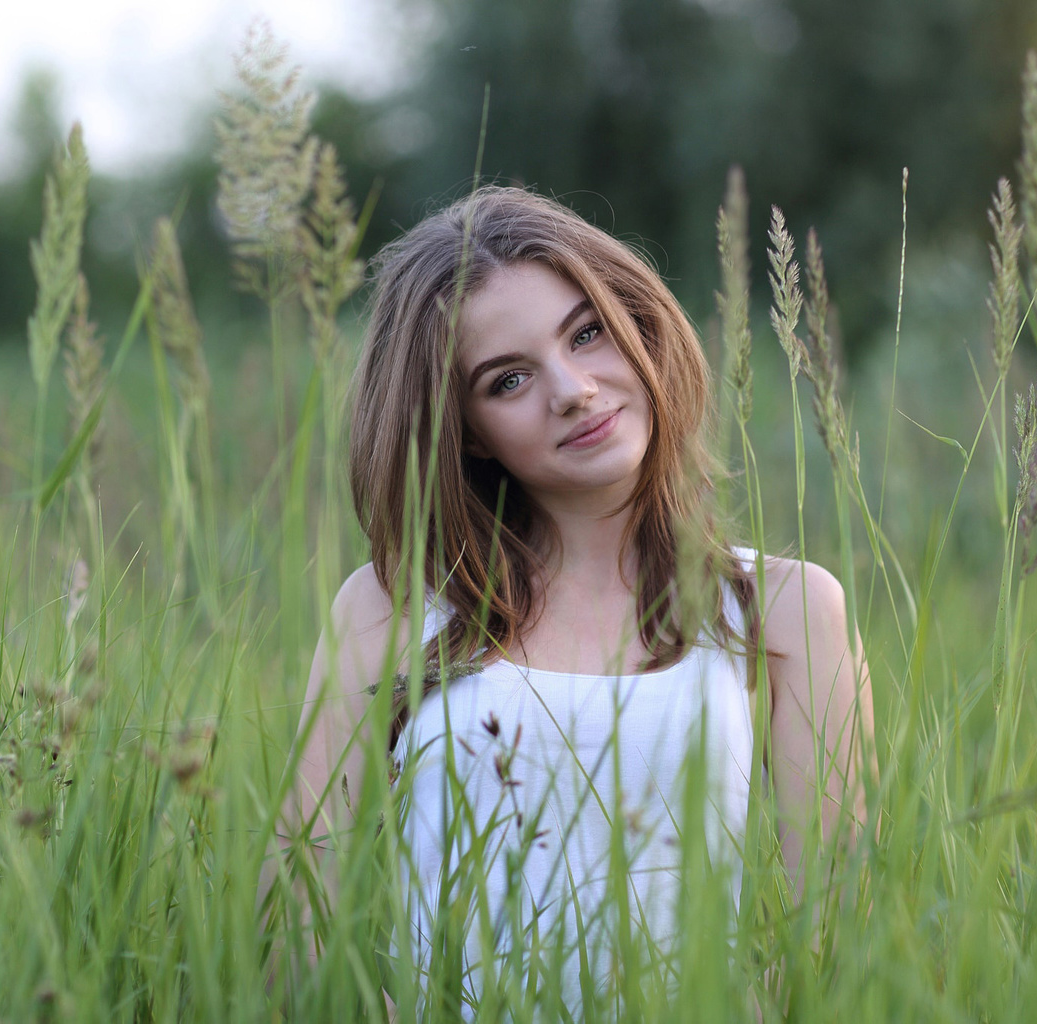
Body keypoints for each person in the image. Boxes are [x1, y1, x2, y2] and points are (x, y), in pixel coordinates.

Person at [283, 186, 874, 1014]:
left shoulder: (784, 609)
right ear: (467, 432)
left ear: (639, 325)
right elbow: (304, 921)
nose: (572, 389)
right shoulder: (389, 610)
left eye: (587, 333)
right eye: (509, 379)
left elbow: (836, 931)